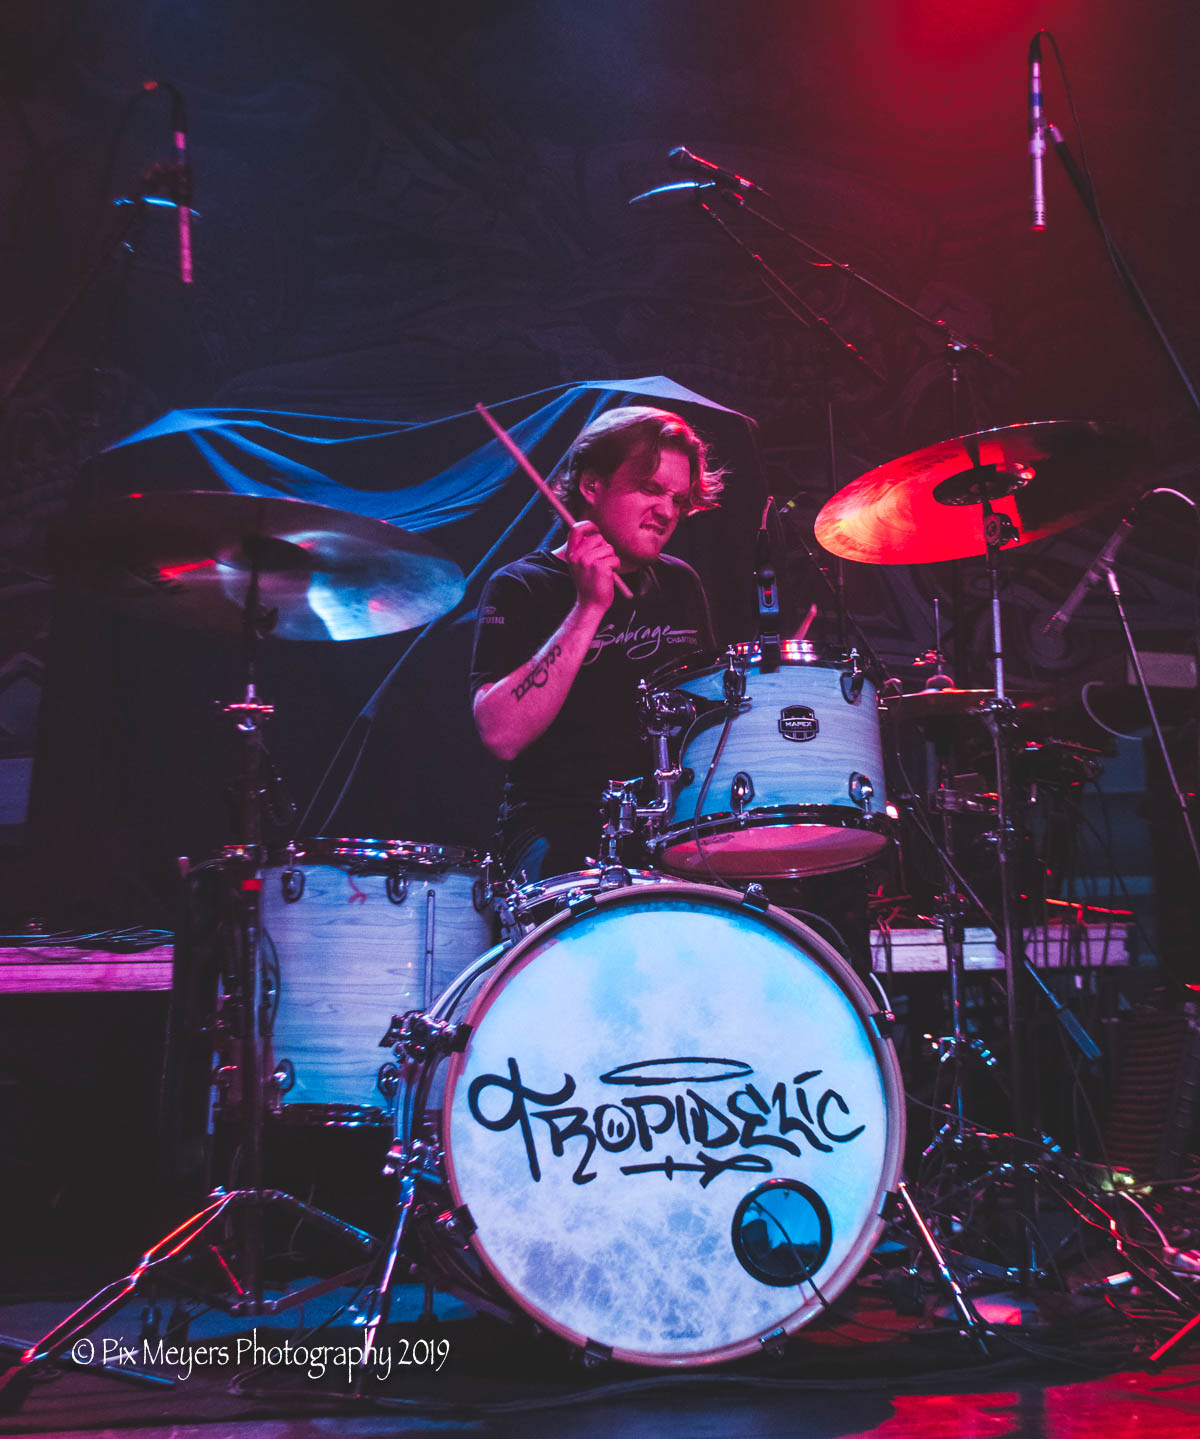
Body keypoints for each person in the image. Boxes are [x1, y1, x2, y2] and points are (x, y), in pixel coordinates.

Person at [470, 406, 724, 884]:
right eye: (650, 489)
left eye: (677, 499)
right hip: (557, 830)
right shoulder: (521, 585)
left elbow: (708, 723)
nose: (667, 512)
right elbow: (501, 734)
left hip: (671, 826)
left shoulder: (681, 584)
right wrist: (589, 607)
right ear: (592, 485)